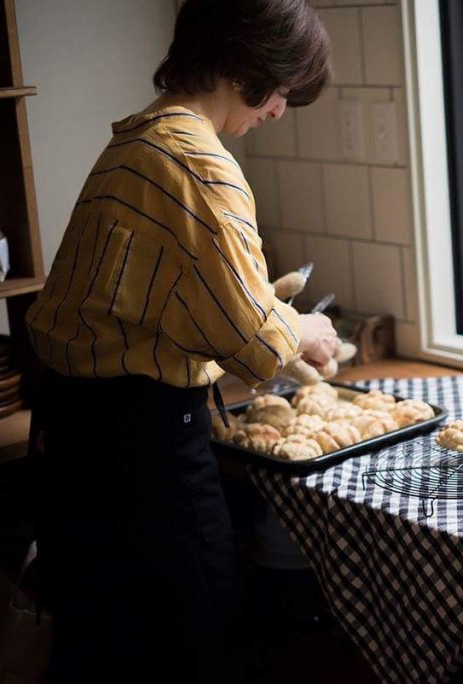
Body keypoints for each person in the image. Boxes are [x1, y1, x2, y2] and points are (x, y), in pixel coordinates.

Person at [23, 1, 335, 680]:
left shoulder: (140, 139)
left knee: (102, 642)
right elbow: (255, 341)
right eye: (281, 88)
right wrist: (307, 329)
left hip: (72, 437)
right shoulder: (198, 163)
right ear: (246, 65)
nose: (278, 110)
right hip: (138, 449)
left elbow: (162, 299)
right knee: (193, 637)